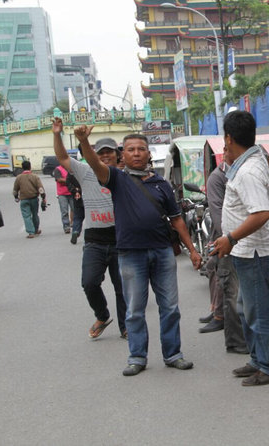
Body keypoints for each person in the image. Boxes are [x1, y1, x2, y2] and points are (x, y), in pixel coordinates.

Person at [76, 125, 202, 376]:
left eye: (141, 149)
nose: (136, 153)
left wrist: (193, 250)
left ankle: (173, 354)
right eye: (131, 149)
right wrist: (83, 141)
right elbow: (94, 163)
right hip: (131, 254)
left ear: (148, 154)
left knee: (170, 308)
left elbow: (177, 220)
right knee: (134, 310)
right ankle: (137, 357)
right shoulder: (116, 179)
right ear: (123, 155)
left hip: (162, 253)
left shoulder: (162, 184)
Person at [212, 111, 269, 386]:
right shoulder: (248, 162)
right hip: (247, 251)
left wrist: (230, 238)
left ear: (229, 138)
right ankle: (258, 359)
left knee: (259, 310)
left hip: (255, 251)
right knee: (246, 308)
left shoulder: (249, 171)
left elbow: (261, 214)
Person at [52, 118, 128, 339]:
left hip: (120, 238)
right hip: (94, 239)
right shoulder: (85, 172)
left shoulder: (124, 177)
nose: (105, 156)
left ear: (118, 155)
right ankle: (102, 315)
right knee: (89, 283)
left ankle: (125, 326)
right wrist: (57, 134)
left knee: (122, 288)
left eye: (109, 153)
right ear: (93, 154)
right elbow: (63, 157)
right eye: (101, 152)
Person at [202, 161, 249, 353]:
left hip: (248, 237)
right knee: (232, 291)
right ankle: (235, 340)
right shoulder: (217, 178)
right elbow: (216, 211)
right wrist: (230, 238)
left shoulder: (248, 171)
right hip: (228, 240)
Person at [12, 160, 46, 239]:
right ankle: (36, 229)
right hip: (34, 199)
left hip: (24, 199)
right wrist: (43, 197)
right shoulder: (35, 177)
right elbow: (40, 188)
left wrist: (16, 197)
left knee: (26, 216)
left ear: (22, 168)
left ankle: (30, 232)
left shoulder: (19, 177)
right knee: (35, 214)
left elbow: (15, 190)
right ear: (30, 167)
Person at [53, 163, 74, 233]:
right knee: (64, 211)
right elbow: (59, 179)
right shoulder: (58, 169)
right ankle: (66, 226)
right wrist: (70, 181)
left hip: (72, 192)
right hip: (62, 194)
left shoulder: (70, 168)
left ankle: (74, 223)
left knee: (74, 209)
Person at [66, 170, 84, 244]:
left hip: (77, 197)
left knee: (77, 217)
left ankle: (75, 231)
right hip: (89, 197)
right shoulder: (87, 169)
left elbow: (68, 182)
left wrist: (74, 190)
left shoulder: (72, 172)